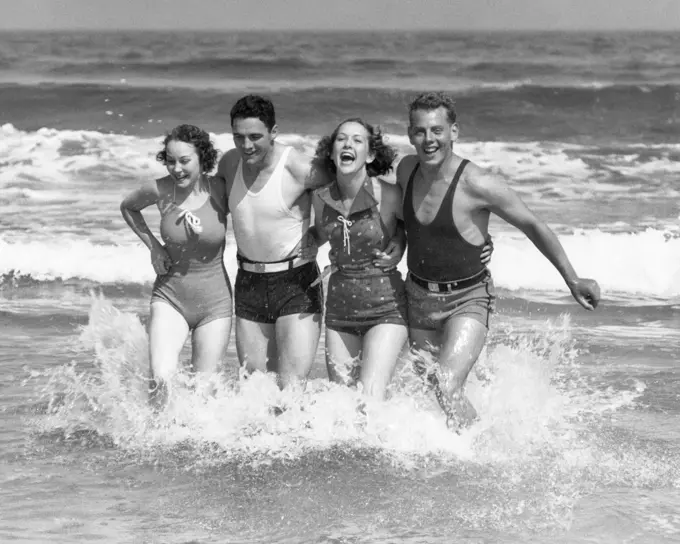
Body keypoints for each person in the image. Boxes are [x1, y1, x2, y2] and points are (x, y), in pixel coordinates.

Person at [396, 92, 601, 430]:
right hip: (417, 296)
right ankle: (474, 435)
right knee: (436, 386)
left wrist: (572, 279)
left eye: (437, 130)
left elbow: (533, 224)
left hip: (467, 298)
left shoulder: (479, 183)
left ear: (453, 132)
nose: (428, 139)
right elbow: (400, 218)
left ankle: (476, 455)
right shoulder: (405, 169)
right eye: (420, 131)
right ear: (409, 134)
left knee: (447, 382)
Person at [215, 95, 332, 389]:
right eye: (238, 137)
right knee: (255, 391)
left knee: (290, 389)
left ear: (274, 132)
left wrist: (319, 233)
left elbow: (346, 190)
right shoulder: (229, 163)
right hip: (248, 282)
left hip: (296, 283)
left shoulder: (299, 167)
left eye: (255, 137)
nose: (246, 146)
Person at [120, 124, 232, 407]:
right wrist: (154, 246)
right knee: (161, 378)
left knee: (202, 392)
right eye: (171, 161)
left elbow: (257, 211)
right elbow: (128, 207)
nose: (177, 169)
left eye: (185, 161)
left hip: (215, 305)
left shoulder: (220, 189)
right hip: (171, 298)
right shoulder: (159, 189)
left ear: (202, 159)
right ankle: (154, 443)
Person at [310, 118, 409, 400]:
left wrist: (401, 241)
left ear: (372, 154)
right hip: (340, 311)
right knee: (341, 404)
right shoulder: (320, 197)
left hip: (386, 310)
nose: (347, 144)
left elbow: (421, 227)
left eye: (357, 140)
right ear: (331, 152)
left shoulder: (387, 194)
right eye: (341, 139)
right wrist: (306, 242)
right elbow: (321, 233)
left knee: (370, 398)